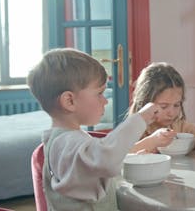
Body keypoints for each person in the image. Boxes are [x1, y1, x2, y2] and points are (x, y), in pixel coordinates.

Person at [27, 48, 162, 210]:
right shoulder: (65, 144)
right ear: (69, 101)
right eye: (100, 93)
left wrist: (126, 160)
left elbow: (91, 170)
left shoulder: (68, 140)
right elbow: (105, 158)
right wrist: (141, 118)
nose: (105, 101)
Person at [129, 62, 195, 154]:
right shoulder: (134, 129)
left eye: (176, 105)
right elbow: (119, 155)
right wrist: (152, 142)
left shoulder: (177, 126)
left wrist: (185, 144)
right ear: (144, 103)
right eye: (164, 106)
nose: (171, 113)